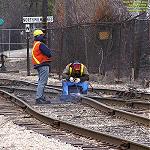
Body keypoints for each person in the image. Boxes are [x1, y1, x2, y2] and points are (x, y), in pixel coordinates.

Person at [32, 29, 53, 104]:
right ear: (38, 36)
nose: (43, 37)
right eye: (41, 35)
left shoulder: (35, 44)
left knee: (41, 81)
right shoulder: (40, 44)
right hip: (43, 64)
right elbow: (48, 53)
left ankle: (41, 97)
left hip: (39, 65)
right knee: (42, 82)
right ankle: (39, 98)